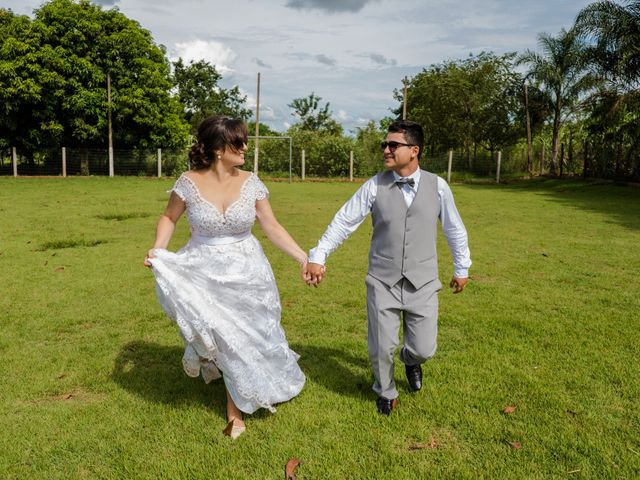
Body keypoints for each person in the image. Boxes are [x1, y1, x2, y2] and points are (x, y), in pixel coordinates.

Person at [145, 116, 307, 439]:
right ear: (219, 149)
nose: (246, 147)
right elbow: (169, 217)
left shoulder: (251, 181)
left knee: (242, 337)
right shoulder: (188, 182)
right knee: (223, 336)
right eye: (239, 142)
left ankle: (236, 403)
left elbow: (271, 225)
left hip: (247, 271)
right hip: (202, 269)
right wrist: (158, 248)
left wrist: (303, 257)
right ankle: (235, 412)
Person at [306, 120, 471, 415]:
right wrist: (319, 255)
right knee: (382, 345)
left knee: (424, 348)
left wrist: (462, 267)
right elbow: (344, 221)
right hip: (383, 279)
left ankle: (411, 360)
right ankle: (385, 391)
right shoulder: (374, 185)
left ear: (414, 150)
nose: (386, 149)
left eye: (393, 145)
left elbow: (454, 229)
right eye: (385, 144)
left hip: (423, 280)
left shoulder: (438, 186)